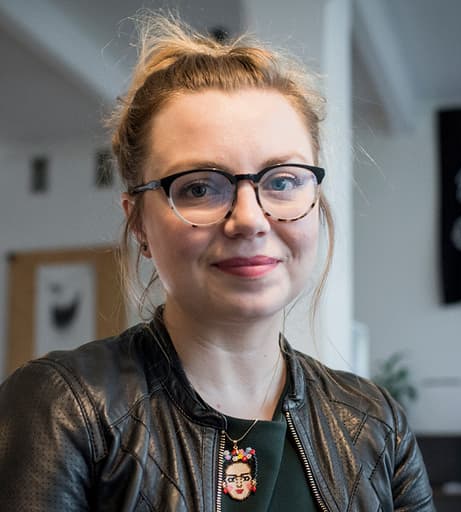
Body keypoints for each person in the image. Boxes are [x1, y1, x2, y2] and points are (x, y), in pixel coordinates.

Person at [0, 13, 434, 512]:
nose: (249, 220)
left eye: (282, 181)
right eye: (200, 188)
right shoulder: (63, 409)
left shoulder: (377, 425)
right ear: (138, 223)